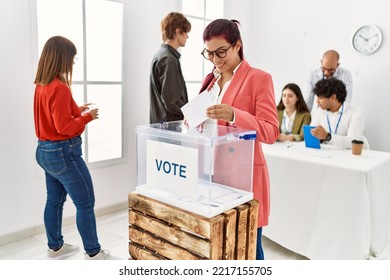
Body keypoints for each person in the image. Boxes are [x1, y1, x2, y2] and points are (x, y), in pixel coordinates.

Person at [199, 19, 279, 260]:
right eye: (209, 54)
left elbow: (271, 131)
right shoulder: (211, 81)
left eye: (221, 52)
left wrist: (235, 115)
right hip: (211, 176)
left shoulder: (259, 78)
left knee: (250, 249)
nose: (215, 59)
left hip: (243, 178)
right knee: (223, 247)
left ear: (237, 45)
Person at [34, 36, 120, 260]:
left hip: (45, 152)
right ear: (62, 58)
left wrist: (76, 110)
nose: (72, 63)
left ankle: (55, 247)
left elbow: (52, 118)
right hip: (64, 153)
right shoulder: (59, 87)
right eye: (71, 58)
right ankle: (94, 253)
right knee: (85, 202)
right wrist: (87, 118)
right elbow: (65, 128)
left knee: (54, 200)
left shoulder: (41, 85)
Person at [150, 12, 191, 124]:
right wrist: (191, 115)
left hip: (161, 125)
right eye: (186, 32)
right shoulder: (169, 59)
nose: (187, 36)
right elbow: (171, 102)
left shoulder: (160, 54)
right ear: (178, 32)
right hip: (169, 127)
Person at [310, 77, 368, 149]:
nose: (317, 101)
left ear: (333, 97)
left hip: (351, 156)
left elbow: (353, 141)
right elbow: (312, 135)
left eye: (320, 98)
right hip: (329, 154)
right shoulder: (320, 111)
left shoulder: (357, 112)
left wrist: (327, 136)